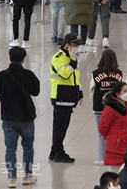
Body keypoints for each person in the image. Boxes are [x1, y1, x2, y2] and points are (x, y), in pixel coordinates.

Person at [0, 47, 40, 187]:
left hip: (8, 117)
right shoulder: (28, 75)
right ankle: (28, 175)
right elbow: (36, 91)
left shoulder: (1, 76)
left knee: (10, 148)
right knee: (28, 146)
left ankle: (11, 178)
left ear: (9, 57)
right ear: (23, 59)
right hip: (26, 117)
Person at [49, 33, 85, 163]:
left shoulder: (71, 58)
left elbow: (75, 76)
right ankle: (58, 152)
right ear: (68, 45)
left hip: (69, 95)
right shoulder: (58, 58)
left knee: (62, 126)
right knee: (60, 127)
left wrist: (79, 92)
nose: (77, 48)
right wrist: (73, 61)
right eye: (75, 45)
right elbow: (64, 74)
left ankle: (54, 151)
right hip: (61, 96)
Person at [98, 81, 127, 168]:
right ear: (118, 94)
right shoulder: (110, 109)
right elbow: (103, 128)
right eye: (124, 91)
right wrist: (115, 138)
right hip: (115, 148)